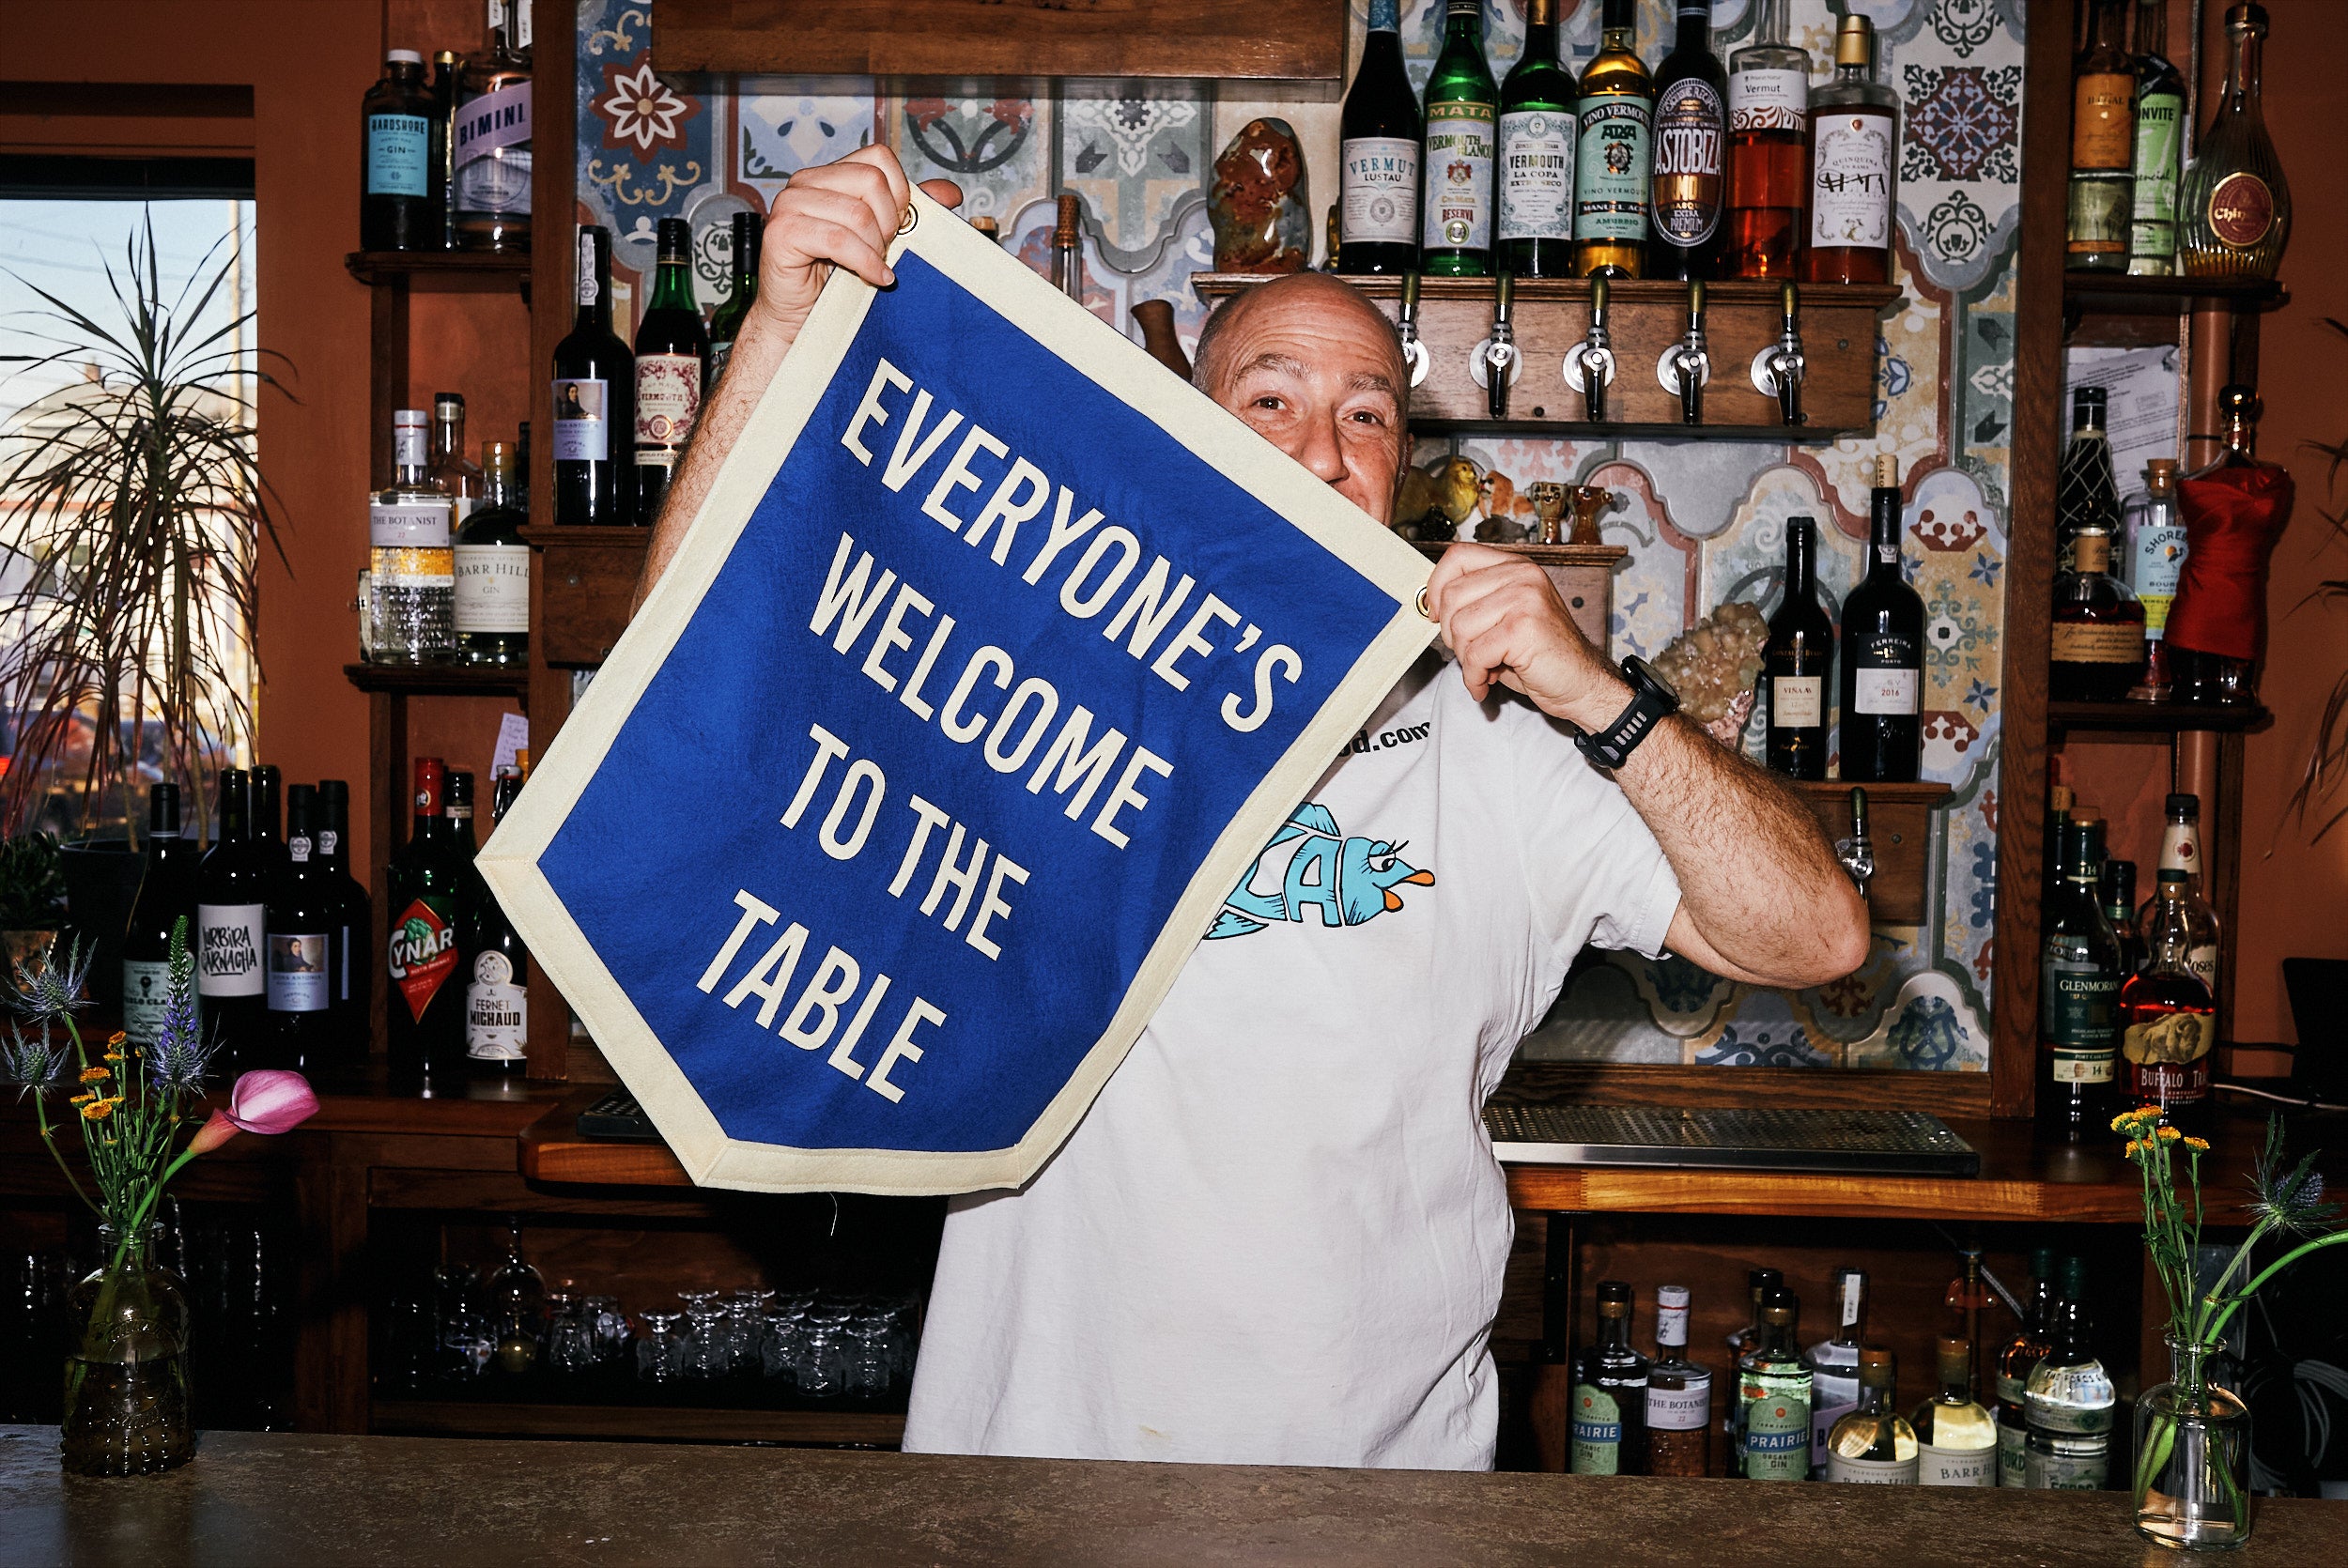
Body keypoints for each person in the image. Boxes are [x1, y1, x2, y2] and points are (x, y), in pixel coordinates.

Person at [633, 148, 1872, 1468]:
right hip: (1033, 1482)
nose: (1325, 455)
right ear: (1196, 432)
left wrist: (1605, 698)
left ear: (1408, 461)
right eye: (1270, 398)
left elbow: (1816, 937)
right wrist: (775, 332)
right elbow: (686, 685)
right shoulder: (1032, 670)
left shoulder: (1501, 739)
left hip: (1375, 1502)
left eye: (1369, 415)